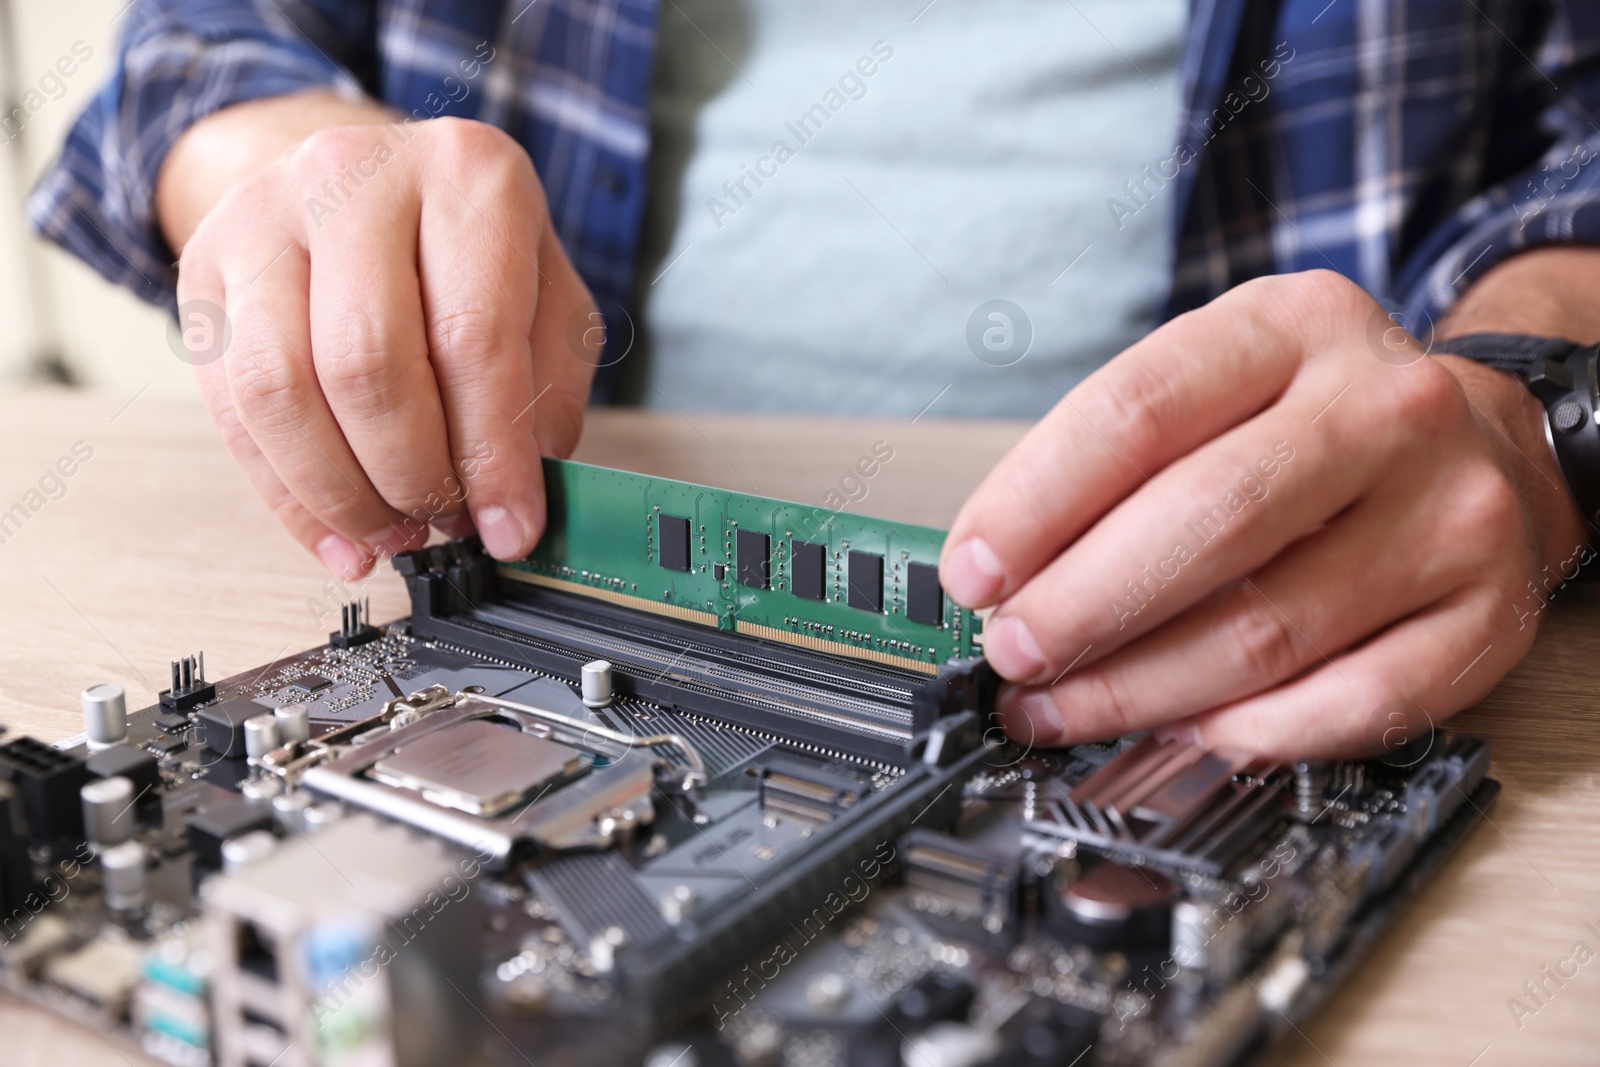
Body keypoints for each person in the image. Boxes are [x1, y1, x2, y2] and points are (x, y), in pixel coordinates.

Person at [28, 1, 1600, 758]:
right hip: (519, 570)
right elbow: (201, 45)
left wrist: (1525, 411)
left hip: (1251, 631)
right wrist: (302, 184)